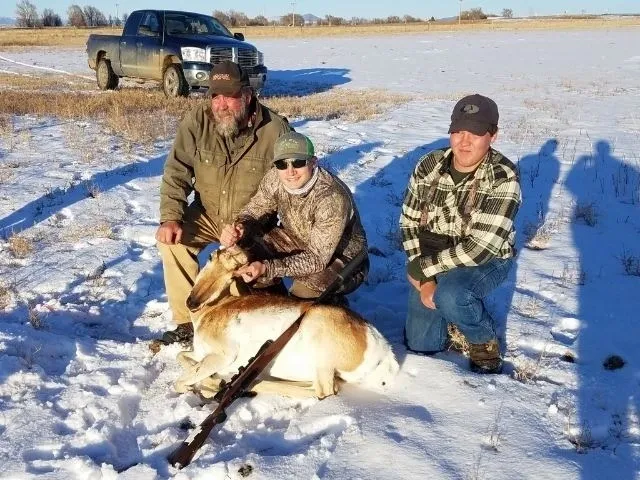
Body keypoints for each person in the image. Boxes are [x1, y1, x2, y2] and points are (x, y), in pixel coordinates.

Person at [155, 60, 291, 345]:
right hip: (208, 213)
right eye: (215, 95)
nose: (221, 104)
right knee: (172, 241)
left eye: (229, 96)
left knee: (243, 290)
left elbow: (289, 187)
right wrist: (170, 217)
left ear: (247, 95)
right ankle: (187, 322)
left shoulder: (275, 130)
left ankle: (228, 320)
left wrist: (257, 233)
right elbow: (177, 171)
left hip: (252, 225)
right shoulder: (196, 122)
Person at [399, 94, 521, 374]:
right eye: (458, 131)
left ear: (493, 136)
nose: (464, 141)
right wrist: (426, 279)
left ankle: (483, 339)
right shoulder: (428, 165)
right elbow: (408, 222)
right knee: (421, 344)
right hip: (433, 252)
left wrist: (421, 269)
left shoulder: (504, 177)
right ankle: (444, 316)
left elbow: (479, 248)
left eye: (476, 132)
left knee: (452, 295)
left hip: (486, 260)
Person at [220, 131, 369, 304]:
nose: (290, 171)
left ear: (313, 163)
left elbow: (317, 259)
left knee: (305, 291)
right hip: (300, 240)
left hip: (342, 258)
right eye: (282, 164)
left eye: (298, 162)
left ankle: (330, 308)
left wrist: (268, 268)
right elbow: (255, 211)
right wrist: (239, 228)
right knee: (246, 252)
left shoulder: (331, 198)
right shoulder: (274, 178)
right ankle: (274, 305)